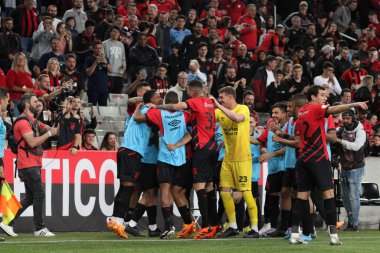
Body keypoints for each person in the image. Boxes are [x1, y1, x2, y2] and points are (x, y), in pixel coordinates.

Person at [289, 85, 368, 245]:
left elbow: (297, 141)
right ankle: (333, 236)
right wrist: (354, 104)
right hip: (318, 158)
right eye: (322, 94)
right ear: (313, 97)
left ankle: (294, 236)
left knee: (302, 197)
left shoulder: (300, 113)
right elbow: (334, 109)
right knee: (328, 195)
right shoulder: (316, 108)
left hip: (303, 159)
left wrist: (283, 135)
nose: (325, 97)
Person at [152, 80, 219, 239]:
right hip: (210, 149)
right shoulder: (209, 102)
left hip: (198, 152)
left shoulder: (193, 104)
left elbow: (174, 107)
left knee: (198, 186)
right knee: (201, 188)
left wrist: (157, 106)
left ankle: (207, 226)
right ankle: (207, 225)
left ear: (191, 90)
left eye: (187, 88)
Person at [134, 91, 192, 239]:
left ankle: (168, 226)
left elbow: (138, 118)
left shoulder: (159, 114)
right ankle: (189, 224)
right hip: (182, 159)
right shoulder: (186, 115)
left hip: (165, 157)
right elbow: (192, 132)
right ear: (178, 102)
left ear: (165, 101)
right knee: (178, 192)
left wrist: (141, 105)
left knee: (165, 191)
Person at [0, 93, 59, 237]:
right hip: (27, 164)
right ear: (27, 104)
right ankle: (39, 228)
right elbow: (32, 142)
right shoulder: (22, 121)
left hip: (32, 164)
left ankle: (7, 223)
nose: (38, 104)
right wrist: (49, 134)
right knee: (39, 193)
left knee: (31, 198)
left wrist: (60, 117)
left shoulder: (33, 121)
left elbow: (51, 129)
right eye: (35, 102)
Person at [107, 89, 162, 239]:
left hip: (124, 150)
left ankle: (114, 219)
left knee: (123, 188)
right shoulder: (150, 110)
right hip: (133, 152)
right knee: (128, 189)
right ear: (151, 99)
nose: (160, 98)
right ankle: (119, 222)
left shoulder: (142, 108)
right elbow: (139, 119)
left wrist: (142, 103)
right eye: (158, 96)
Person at [211, 86, 259, 238]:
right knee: (224, 191)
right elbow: (208, 117)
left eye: (222, 97)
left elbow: (237, 119)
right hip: (228, 159)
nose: (220, 100)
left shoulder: (243, 108)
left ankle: (255, 228)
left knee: (246, 192)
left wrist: (217, 106)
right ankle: (232, 225)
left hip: (243, 158)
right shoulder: (219, 111)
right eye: (219, 98)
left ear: (230, 97)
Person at [336, 109, 366, 232]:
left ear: (353, 118)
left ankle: (355, 223)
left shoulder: (361, 131)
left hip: (356, 167)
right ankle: (350, 222)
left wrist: (339, 141)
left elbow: (356, 146)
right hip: (344, 166)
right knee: (345, 197)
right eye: (344, 118)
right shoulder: (341, 130)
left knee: (354, 196)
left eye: (348, 118)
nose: (345, 120)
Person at [85, 40, 112, 106]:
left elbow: (111, 70)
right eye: (96, 48)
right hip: (93, 89)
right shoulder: (89, 59)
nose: (98, 50)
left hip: (104, 89)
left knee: (104, 110)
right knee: (92, 109)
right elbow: (88, 73)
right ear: (93, 49)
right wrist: (95, 62)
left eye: (100, 48)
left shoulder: (105, 58)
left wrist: (106, 63)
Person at [102, 26, 126, 94]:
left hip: (119, 75)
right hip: (108, 74)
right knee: (107, 94)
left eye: (117, 32)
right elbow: (102, 57)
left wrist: (122, 73)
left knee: (117, 95)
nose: (116, 33)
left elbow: (123, 60)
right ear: (110, 32)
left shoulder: (121, 45)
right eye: (114, 31)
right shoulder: (104, 43)